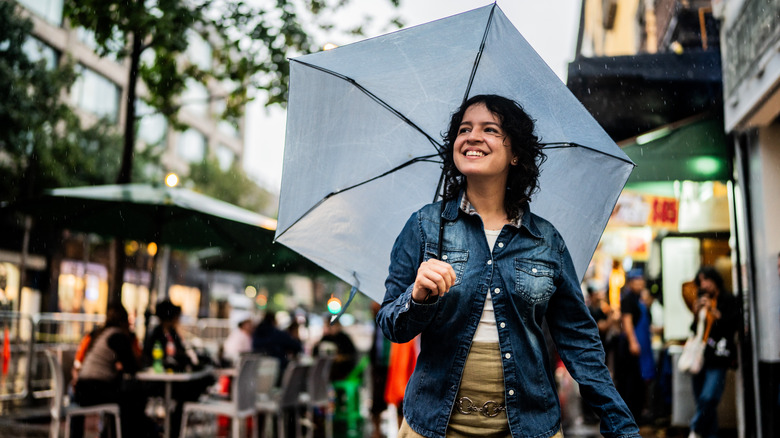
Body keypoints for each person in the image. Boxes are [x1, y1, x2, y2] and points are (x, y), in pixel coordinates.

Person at [376, 94, 639, 438]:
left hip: (529, 427)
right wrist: (418, 297)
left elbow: (579, 341)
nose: (472, 136)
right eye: (464, 129)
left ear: (515, 153)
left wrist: (621, 427)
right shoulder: (425, 226)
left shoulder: (545, 240)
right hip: (432, 425)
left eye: (490, 129)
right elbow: (390, 324)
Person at [72, 303, 156, 437]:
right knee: (134, 400)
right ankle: (126, 433)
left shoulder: (101, 333)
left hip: (83, 388)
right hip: (92, 389)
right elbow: (132, 367)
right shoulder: (117, 336)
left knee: (129, 399)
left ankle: (112, 433)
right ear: (124, 321)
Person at [142, 299, 213, 438]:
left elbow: (180, 354)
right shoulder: (156, 334)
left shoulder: (172, 333)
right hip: (159, 381)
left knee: (192, 390)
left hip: (173, 379)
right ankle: (172, 429)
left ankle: (173, 427)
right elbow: (155, 358)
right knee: (186, 394)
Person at [688, 266, 739, 438]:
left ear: (715, 279)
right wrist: (697, 314)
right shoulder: (702, 298)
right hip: (701, 355)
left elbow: (732, 324)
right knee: (703, 402)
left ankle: (695, 429)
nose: (704, 285)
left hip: (718, 355)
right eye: (700, 281)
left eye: (706, 280)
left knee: (709, 398)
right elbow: (696, 329)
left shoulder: (727, 299)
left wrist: (714, 311)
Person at [616, 269, 654, 422]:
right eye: (636, 281)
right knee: (630, 382)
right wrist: (633, 342)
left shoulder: (640, 299)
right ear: (630, 283)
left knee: (640, 382)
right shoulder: (627, 299)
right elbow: (627, 322)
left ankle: (637, 414)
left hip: (642, 344)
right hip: (632, 346)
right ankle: (629, 416)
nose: (639, 284)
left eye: (641, 281)